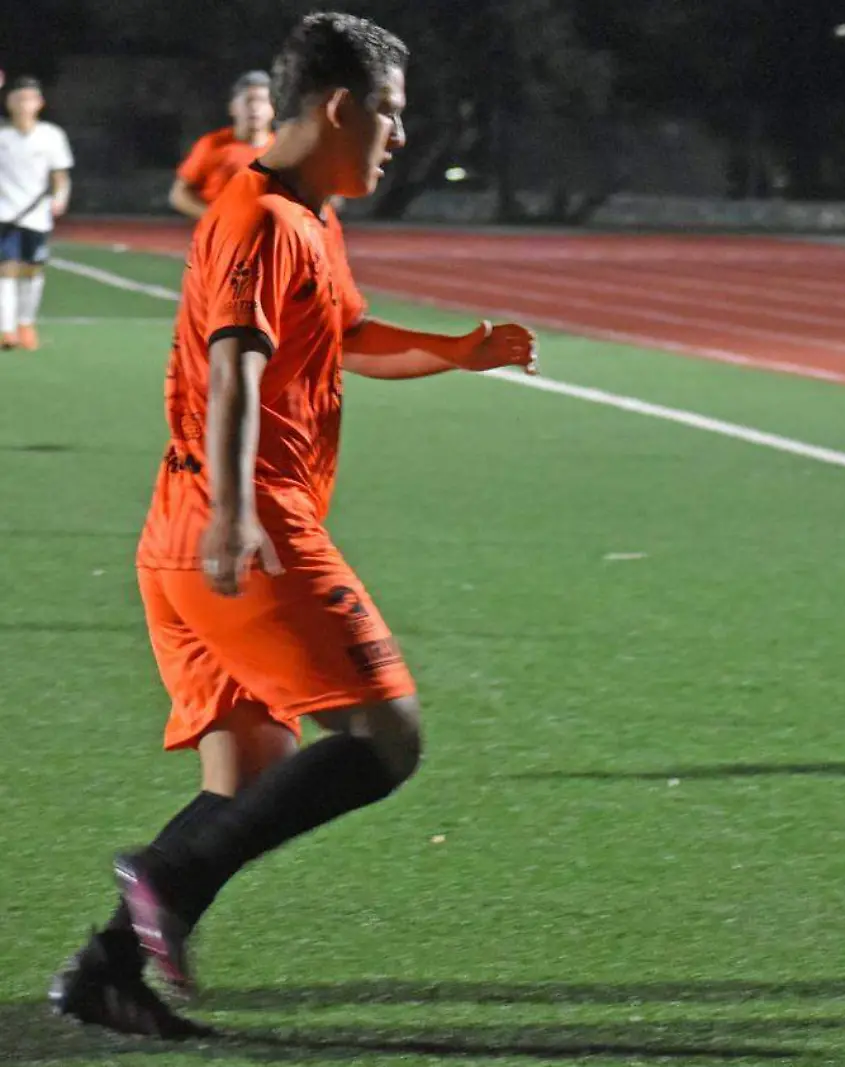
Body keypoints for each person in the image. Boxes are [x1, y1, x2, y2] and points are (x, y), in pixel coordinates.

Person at [48, 12, 539, 1039]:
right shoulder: (260, 217)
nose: (400, 140)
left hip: (190, 532)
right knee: (385, 734)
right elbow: (236, 363)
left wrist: (454, 351)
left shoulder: (308, 215)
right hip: (241, 525)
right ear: (338, 105)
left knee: (250, 779)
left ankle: (104, 970)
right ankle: (163, 875)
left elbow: (344, 333)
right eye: (392, 117)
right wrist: (237, 516)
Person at [0, 75, 73, 351]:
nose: (23, 104)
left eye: (29, 98)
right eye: (18, 98)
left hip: (36, 216)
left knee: (32, 271)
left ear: (40, 103)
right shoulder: (2, 136)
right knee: (5, 269)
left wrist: (60, 198)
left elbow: (59, 175)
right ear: (9, 102)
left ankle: (25, 323)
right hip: (5, 215)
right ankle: (6, 331)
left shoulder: (52, 136)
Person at [171, 70, 276, 219]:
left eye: (262, 101)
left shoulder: (282, 150)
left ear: (273, 109)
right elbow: (179, 195)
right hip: (220, 237)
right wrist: (216, 219)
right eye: (248, 100)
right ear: (232, 108)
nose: (255, 107)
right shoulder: (212, 144)